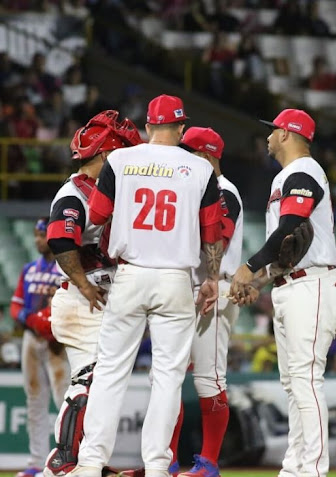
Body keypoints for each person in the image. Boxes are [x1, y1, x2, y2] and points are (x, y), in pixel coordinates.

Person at [67, 95, 225, 477]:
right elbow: (212, 233)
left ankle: (90, 462)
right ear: (181, 128)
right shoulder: (199, 169)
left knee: (109, 371)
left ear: (149, 126)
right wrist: (213, 278)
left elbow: (98, 214)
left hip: (131, 272)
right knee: (168, 377)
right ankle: (157, 465)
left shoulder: (120, 160)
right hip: (176, 279)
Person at [230, 108, 336, 477]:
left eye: (273, 130)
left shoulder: (304, 172)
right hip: (294, 283)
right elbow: (290, 248)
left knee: (306, 380)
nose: (267, 136)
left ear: (286, 134)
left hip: (311, 286)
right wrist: (261, 280)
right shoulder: (288, 175)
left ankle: (312, 470)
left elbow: (291, 227)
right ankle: (295, 468)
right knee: (294, 383)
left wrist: (248, 268)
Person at [43, 110, 143, 477]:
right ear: (106, 156)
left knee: (102, 381)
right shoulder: (75, 193)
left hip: (98, 296)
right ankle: (63, 459)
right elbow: (59, 238)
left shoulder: (103, 191)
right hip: (82, 297)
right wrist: (84, 283)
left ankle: (86, 460)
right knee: (91, 378)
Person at [178, 127, 244, 477]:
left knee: (209, 378)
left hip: (214, 289)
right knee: (170, 378)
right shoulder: (194, 188)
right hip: (186, 288)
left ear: (205, 155)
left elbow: (219, 236)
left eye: (188, 152)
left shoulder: (223, 190)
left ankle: (209, 463)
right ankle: (168, 460)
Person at [11, 218, 68, 477]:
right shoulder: (29, 269)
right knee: (34, 400)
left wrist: (45, 319)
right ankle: (36, 462)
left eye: (42, 235)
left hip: (57, 340)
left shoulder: (63, 269)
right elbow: (16, 304)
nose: (37, 241)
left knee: (63, 399)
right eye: (35, 235)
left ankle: (68, 458)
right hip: (32, 338)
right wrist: (29, 319)